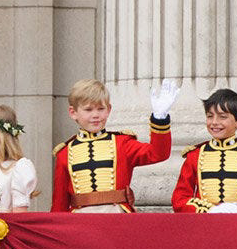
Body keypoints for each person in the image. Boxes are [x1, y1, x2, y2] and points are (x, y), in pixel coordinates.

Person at [50, 78, 174, 212]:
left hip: (116, 216)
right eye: (88, 110)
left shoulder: (122, 144)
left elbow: (158, 153)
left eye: (100, 109)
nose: (95, 115)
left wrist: (160, 118)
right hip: (80, 219)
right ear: (73, 113)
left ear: (109, 109)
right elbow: (59, 203)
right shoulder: (65, 153)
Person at [172, 88, 237, 213]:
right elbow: (179, 199)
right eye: (210, 116)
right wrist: (208, 210)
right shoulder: (195, 155)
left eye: (222, 117)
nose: (214, 122)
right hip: (204, 221)